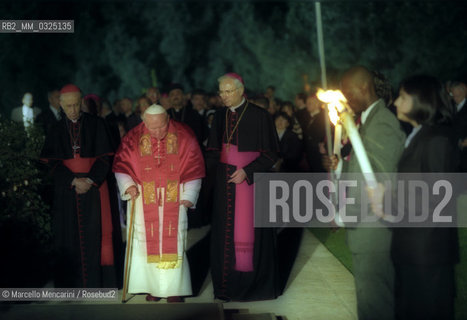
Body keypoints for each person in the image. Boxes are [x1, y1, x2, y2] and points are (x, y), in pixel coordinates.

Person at [368, 75, 459, 320]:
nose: (396, 102)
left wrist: (388, 203)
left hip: (427, 255)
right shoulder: (419, 136)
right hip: (412, 250)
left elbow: (436, 202)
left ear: (422, 101)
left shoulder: (437, 140)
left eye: (403, 97)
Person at [329, 66, 406, 320]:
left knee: (375, 304)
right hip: (366, 227)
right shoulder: (367, 121)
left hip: (373, 229)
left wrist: (343, 215)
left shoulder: (382, 121)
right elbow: (361, 167)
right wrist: (340, 165)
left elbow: (376, 178)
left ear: (363, 87)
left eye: (347, 91)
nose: (345, 98)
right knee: (370, 301)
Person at [112, 104, 205, 302]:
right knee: (146, 243)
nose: (157, 132)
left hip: (174, 194)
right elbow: (120, 165)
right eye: (152, 128)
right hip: (143, 196)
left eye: (162, 126)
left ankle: (173, 289)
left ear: (168, 120)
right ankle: (152, 287)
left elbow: (195, 166)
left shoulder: (184, 135)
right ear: (144, 122)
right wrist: (128, 185)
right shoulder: (133, 137)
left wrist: (190, 193)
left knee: (174, 241)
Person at [207, 73, 280, 301]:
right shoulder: (219, 117)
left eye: (228, 91)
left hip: (251, 184)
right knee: (224, 236)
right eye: (221, 92)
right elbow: (212, 151)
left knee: (249, 235)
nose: (224, 96)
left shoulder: (260, 116)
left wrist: (247, 172)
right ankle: (226, 288)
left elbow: (271, 154)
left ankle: (252, 288)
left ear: (240, 90)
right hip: (225, 185)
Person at [40, 84, 119, 288]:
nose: (73, 110)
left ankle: (98, 282)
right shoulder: (55, 129)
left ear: (81, 102)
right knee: (68, 236)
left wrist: (90, 180)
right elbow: (52, 163)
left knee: (97, 234)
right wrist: (73, 181)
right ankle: (72, 284)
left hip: (94, 189)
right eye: (69, 106)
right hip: (68, 191)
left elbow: (105, 158)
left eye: (76, 105)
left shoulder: (97, 124)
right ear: (61, 105)